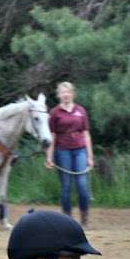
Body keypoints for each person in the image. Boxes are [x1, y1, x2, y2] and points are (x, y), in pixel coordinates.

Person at [45, 82, 94, 226]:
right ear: (59, 95)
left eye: (68, 92)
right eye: (63, 92)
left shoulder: (81, 111)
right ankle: (67, 221)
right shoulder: (54, 113)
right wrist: (49, 157)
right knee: (66, 186)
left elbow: (86, 134)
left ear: (73, 94)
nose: (66, 95)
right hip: (62, 151)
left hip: (80, 150)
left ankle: (84, 220)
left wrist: (90, 156)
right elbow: (52, 137)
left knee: (82, 186)